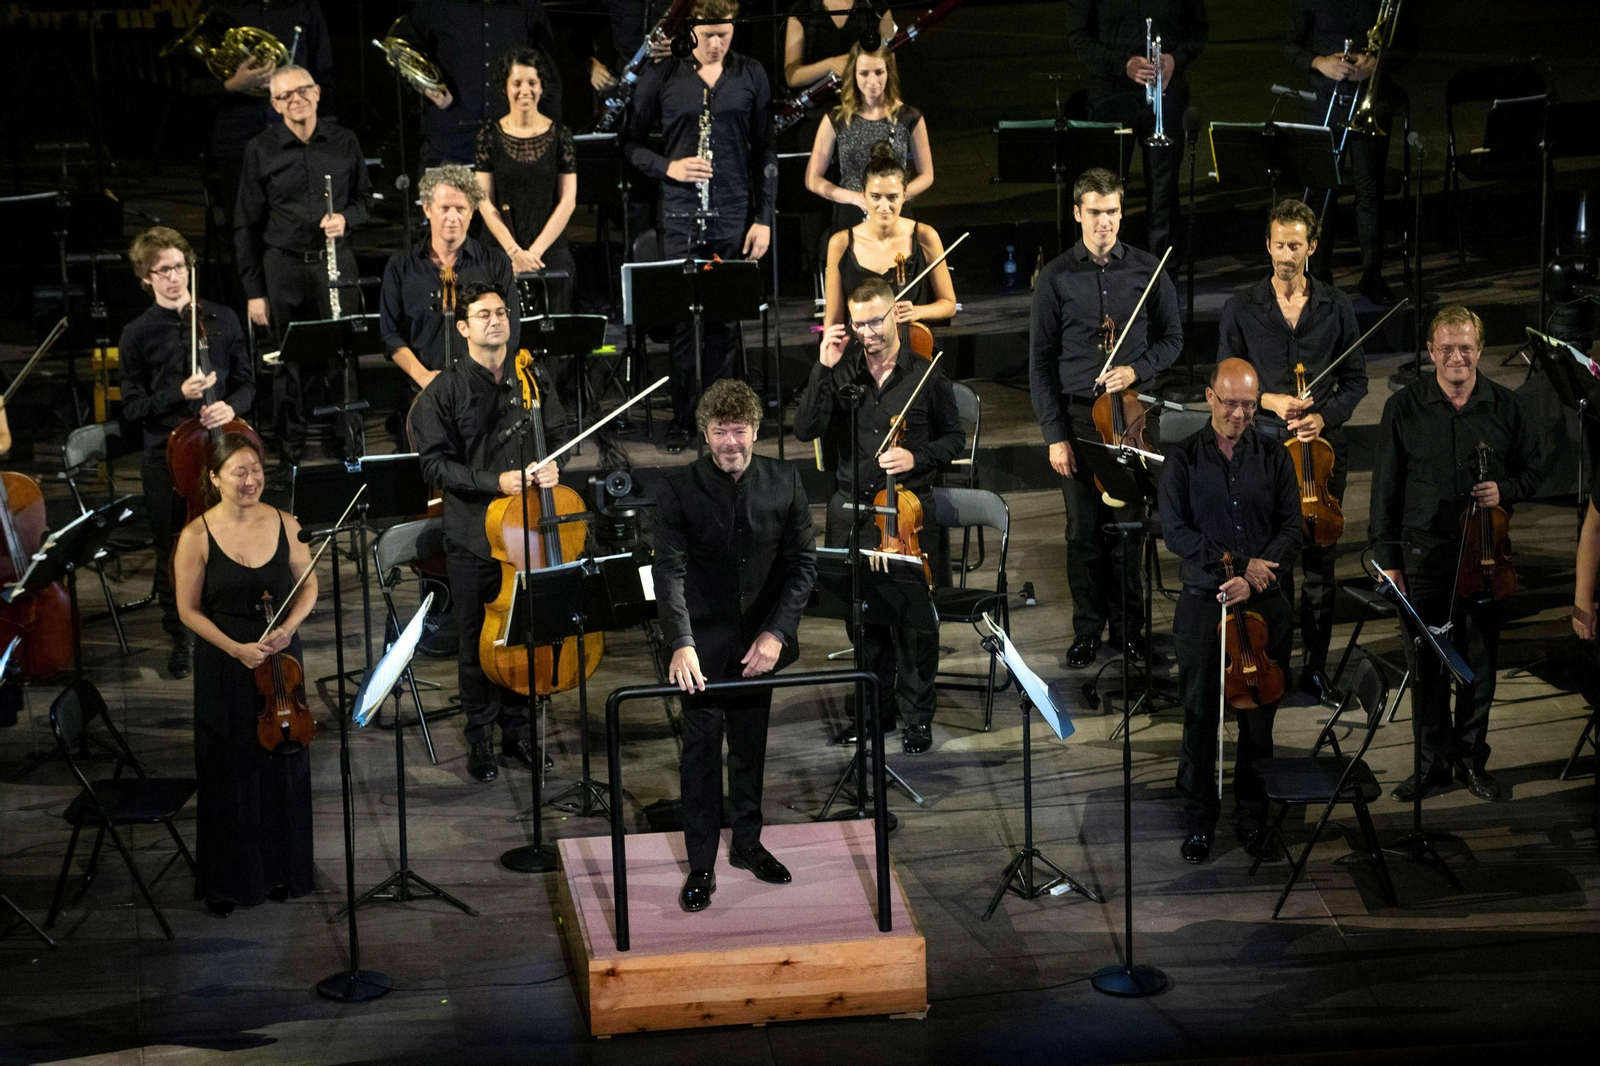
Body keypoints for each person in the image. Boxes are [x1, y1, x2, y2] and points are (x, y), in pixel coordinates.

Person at [656, 378, 818, 912]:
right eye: (720, 431)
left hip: (758, 646)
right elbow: (669, 572)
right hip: (700, 647)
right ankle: (701, 863)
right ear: (705, 434)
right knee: (700, 755)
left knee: (750, 750)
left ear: (755, 430)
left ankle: (747, 844)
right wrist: (681, 643)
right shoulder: (679, 489)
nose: (731, 442)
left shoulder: (785, 479)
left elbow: (802, 568)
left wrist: (777, 633)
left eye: (740, 430)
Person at [1370, 306, 1541, 803]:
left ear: (1480, 350)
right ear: (1430, 352)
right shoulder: (1403, 408)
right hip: (1423, 558)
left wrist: (1503, 489)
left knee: (1478, 667)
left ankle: (1470, 760)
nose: (1456, 357)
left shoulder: (1506, 407)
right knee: (1426, 668)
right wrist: (1390, 560)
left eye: (1465, 347)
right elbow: (1386, 489)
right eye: (1446, 348)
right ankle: (1431, 765)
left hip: (1485, 558)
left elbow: (1533, 474)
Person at [794, 277, 966, 755]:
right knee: (862, 620)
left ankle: (917, 718)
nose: (867, 331)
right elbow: (804, 427)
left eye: (875, 320)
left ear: (896, 316)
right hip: (853, 510)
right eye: (858, 323)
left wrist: (917, 459)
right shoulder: (841, 373)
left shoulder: (927, 374)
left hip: (910, 510)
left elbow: (954, 440)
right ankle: (874, 713)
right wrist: (822, 368)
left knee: (913, 622)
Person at [409, 282, 567, 783]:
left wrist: (554, 465)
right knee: (478, 639)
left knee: (523, 633)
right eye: (484, 315)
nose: (496, 321)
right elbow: (434, 466)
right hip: (474, 534)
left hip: (529, 533)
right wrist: (492, 482)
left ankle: (518, 732)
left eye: (502, 313)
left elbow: (560, 433)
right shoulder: (443, 391)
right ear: (464, 328)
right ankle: (479, 735)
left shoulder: (532, 375)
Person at [1028, 167, 1181, 669]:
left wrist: (1137, 367)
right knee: (1083, 533)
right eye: (1095, 212)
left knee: (1129, 528)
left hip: (1132, 416)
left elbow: (1173, 340)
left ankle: (1131, 631)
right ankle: (1088, 630)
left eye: (1113, 212)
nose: (1105, 223)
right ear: (1077, 213)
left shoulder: (1147, 269)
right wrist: (1055, 435)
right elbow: (1041, 364)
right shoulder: (1054, 278)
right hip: (1076, 420)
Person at [1218, 198, 1366, 704]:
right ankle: (1269, 661)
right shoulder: (1242, 307)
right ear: (1267, 245)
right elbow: (1223, 378)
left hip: (1321, 459)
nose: (1286, 254)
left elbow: (1356, 381)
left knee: (1320, 571)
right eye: (1279, 244)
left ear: (1312, 248)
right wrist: (1266, 399)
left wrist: (1323, 416)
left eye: (1296, 246)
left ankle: (1318, 670)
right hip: (1263, 454)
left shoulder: (1335, 306)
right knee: (1269, 566)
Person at [1159, 358, 1301, 864]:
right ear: (1209, 397)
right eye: (1231, 403)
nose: (1240, 414)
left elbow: (1292, 526)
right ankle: (1200, 821)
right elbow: (1176, 532)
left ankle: (1252, 817)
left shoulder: (1274, 455)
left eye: (1249, 404)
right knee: (1200, 717)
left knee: (1258, 719)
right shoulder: (1182, 460)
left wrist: (1258, 577)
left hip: (1264, 604)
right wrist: (1241, 567)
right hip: (1205, 603)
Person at [172, 433, 317, 916]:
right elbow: (188, 611)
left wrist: (289, 628)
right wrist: (236, 648)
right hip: (225, 661)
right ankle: (229, 883)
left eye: (256, 468)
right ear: (214, 478)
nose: (251, 479)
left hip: (280, 659)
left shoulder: (286, 523)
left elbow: (309, 584)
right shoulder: (195, 536)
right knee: (229, 769)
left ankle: (282, 872)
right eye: (239, 471)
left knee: (283, 766)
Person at [623, 0, 777, 451]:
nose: (715, 44)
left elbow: (765, 150)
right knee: (681, 323)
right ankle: (686, 419)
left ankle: (723, 425)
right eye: (707, 35)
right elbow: (629, 143)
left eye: (724, 36)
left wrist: (763, 219)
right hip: (679, 213)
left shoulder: (751, 74)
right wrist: (669, 168)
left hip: (731, 212)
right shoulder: (665, 74)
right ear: (691, 30)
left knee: (723, 324)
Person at [118, 227, 256, 680]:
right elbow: (133, 409)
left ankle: (233, 620)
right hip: (167, 456)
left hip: (220, 449)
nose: (174, 278)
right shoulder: (137, 334)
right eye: (164, 271)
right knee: (173, 545)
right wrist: (176, 395)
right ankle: (182, 636)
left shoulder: (221, 318)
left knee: (234, 536)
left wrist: (231, 405)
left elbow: (249, 382)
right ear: (147, 278)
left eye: (180, 268)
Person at [235, 64, 372, 464]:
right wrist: (254, 291)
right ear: (275, 104)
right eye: (284, 95)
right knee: (286, 360)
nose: (295, 100)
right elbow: (245, 224)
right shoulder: (260, 150)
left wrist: (347, 218)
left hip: (334, 262)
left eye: (303, 91)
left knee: (342, 353)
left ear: (316, 93)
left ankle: (349, 444)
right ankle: (290, 451)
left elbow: (365, 200)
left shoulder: (344, 141)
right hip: (283, 266)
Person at [194, 1, 332, 305]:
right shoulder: (217, 10)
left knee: (296, 224)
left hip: (293, 133)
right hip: (237, 136)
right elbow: (189, 83)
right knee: (244, 228)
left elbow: (323, 71)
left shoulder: (305, 8)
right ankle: (253, 309)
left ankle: (296, 310)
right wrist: (233, 84)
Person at [1284, 0, 1409, 305]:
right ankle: (1319, 275)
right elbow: (1290, 45)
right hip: (1325, 101)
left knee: (1370, 191)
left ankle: (1372, 275)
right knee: (1323, 191)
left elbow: (1410, 44)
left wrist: (1378, 62)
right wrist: (1320, 62)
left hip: (1371, 99)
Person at [1065, 0, 1208, 258]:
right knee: (1103, 191)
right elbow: (1079, 37)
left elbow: (1198, 33)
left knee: (1164, 191)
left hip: (1166, 90)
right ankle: (1101, 270)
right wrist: (1123, 65)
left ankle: (1162, 277)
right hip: (1111, 94)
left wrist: (1176, 59)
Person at [381, 165, 521, 393]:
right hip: (423, 390)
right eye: (444, 208)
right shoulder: (401, 266)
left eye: (461, 208)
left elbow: (511, 332)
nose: (453, 218)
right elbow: (390, 335)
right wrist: (424, 377)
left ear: (472, 211)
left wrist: (483, 376)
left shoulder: (495, 263)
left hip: (484, 389)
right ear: (427, 208)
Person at [396, 0, 563, 167]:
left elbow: (549, 77)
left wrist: (547, 138)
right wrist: (423, 85)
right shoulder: (434, 5)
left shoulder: (527, 6)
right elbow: (400, 49)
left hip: (514, 147)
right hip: (449, 146)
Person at [475, 48, 579, 316]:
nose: (525, 90)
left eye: (532, 83)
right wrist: (513, 251)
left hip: (549, 248)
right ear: (505, 87)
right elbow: (484, 202)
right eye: (517, 83)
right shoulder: (488, 136)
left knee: (553, 338)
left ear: (541, 87)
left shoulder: (561, 135)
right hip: (501, 247)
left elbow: (567, 201)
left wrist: (533, 253)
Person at [821, 143, 955, 328]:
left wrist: (918, 311)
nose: (884, 207)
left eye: (892, 197)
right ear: (863, 195)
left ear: (904, 196)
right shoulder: (840, 243)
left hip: (913, 345)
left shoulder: (925, 236)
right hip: (861, 348)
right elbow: (834, 319)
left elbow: (949, 304)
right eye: (876, 197)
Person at [806, 45, 933, 235]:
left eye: (879, 72)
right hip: (851, 213)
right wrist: (854, 197)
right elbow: (812, 179)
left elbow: (927, 175)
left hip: (894, 213)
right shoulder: (837, 119)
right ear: (853, 74)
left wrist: (895, 197)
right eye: (864, 73)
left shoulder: (908, 116)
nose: (872, 81)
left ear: (889, 72)